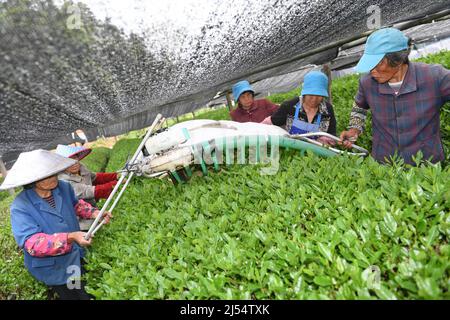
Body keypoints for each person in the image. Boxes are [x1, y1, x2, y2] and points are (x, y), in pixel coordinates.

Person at [0, 150, 112, 300]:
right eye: (46, 176)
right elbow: (33, 243)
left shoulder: (63, 187)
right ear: (31, 180)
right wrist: (70, 237)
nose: (53, 178)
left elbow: (75, 205)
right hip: (54, 266)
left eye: (53, 173)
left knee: (86, 289)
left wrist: (94, 213)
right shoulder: (20, 206)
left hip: (74, 254)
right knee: (74, 294)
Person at [340, 28, 450, 165]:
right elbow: (359, 107)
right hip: (385, 164)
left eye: (378, 63)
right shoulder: (367, 83)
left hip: (426, 165)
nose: (372, 70)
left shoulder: (434, 77)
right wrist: (354, 129)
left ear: (397, 60)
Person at [262, 71, 337, 146]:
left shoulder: (327, 110)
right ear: (304, 92)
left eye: (319, 95)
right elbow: (269, 124)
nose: (314, 99)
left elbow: (332, 134)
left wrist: (325, 141)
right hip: (290, 149)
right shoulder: (289, 106)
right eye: (311, 94)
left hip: (316, 153)